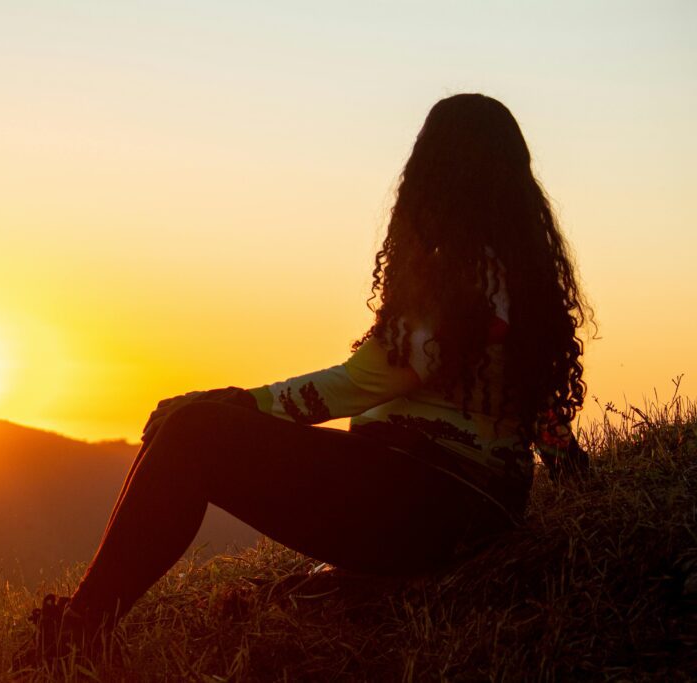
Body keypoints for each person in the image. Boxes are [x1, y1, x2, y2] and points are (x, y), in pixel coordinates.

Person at [30, 93, 591, 662]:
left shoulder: (462, 277)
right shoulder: (521, 276)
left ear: (435, 172)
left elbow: (359, 382)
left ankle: (80, 631)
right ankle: (87, 621)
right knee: (196, 430)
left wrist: (229, 402)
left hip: (422, 504)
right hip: (471, 510)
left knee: (192, 432)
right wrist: (577, 480)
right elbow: (542, 405)